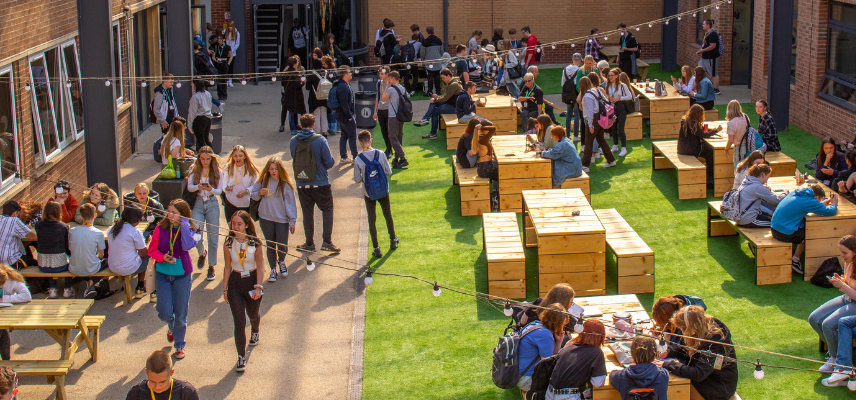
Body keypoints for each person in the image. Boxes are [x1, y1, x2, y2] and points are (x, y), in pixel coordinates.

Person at [148, 199, 199, 359]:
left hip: (182, 275)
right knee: (164, 312)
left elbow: (186, 245)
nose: (170, 215)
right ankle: (171, 326)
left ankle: (179, 344)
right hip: (163, 273)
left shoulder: (189, 229)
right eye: (168, 211)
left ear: (182, 215)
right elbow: (151, 250)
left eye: (174, 212)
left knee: (181, 312)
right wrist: (162, 257)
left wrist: (184, 224)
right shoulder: (160, 227)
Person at [660, 306, 737, 400]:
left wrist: (669, 364)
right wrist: (668, 352)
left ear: (691, 328)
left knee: (673, 391)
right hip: (707, 380)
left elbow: (698, 373)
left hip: (718, 388)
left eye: (683, 330)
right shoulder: (700, 329)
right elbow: (683, 347)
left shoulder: (714, 344)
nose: (683, 334)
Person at [221, 211, 265, 372]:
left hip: (252, 281)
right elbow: (227, 267)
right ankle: (241, 356)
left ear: (247, 225)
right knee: (239, 321)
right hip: (235, 283)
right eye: (233, 223)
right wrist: (225, 289)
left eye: (239, 224)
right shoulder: (228, 243)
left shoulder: (255, 243)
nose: (235, 226)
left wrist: (259, 287)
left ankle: (255, 330)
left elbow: (260, 267)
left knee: (253, 314)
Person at [290, 114, 339, 253]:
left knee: (307, 213)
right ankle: (327, 242)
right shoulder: (320, 140)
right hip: (321, 182)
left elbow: (294, 157)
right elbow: (329, 162)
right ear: (313, 125)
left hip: (301, 182)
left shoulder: (294, 141)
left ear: (300, 125)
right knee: (327, 209)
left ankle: (309, 243)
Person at [771, 184, 838, 274]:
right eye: (820, 200)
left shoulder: (796, 193)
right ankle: (795, 261)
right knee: (809, 232)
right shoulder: (810, 201)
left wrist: (820, 205)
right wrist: (834, 204)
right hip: (783, 233)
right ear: (817, 197)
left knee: (803, 225)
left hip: (774, 228)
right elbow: (830, 212)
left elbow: (804, 206)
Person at [250, 157, 296, 282]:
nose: (274, 171)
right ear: (268, 170)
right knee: (270, 245)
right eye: (271, 169)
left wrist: (292, 221)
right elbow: (253, 196)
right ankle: (273, 269)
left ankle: (281, 261)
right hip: (266, 218)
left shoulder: (285, 184)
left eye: (276, 169)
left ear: (280, 170)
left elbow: (291, 203)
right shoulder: (263, 181)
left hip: (281, 220)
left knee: (282, 245)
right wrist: (259, 193)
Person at [354, 131, 398, 258]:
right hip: (383, 190)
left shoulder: (358, 159)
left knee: (372, 219)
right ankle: (393, 239)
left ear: (360, 143)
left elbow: (357, 179)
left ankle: (376, 247)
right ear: (371, 140)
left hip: (369, 193)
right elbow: (388, 172)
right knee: (387, 214)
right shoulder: (380, 154)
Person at [821, 235, 856, 386]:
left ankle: (840, 364)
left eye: (845, 253)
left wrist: (842, 286)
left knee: (831, 324)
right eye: (841, 252)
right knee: (814, 318)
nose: (842, 256)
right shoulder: (849, 262)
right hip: (847, 297)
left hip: (853, 300)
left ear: (854, 252)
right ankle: (836, 359)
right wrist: (841, 280)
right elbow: (849, 283)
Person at [187, 146, 223, 281]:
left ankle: (211, 266)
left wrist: (211, 188)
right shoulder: (193, 169)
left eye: (207, 159)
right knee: (197, 236)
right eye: (202, 159)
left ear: (212, 158)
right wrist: (198, 187)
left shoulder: (217, 170)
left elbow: (220, 191)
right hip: (198, 202)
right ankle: (202, 253)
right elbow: (189, 187)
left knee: (213, 236)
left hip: (212, 202)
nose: (205, 162)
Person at [547, 319, 607, 399]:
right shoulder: (596, 352)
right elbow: (597, 383)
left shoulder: (569, 346)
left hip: (549, 393)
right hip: (568, 396)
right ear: (600, 336)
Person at [519, 304, 569, 396]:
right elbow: (546, 366)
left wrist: (558, 342)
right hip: (527, 379)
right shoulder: (545, 335)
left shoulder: (536, 324)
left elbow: (549, 357)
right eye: (562, 325)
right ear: (556, 323)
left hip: (520, 374)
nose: (563, 328)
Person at [108, 206, 151, 300]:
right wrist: (148, 243)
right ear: (137, 221)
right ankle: (140, 286)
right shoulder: (135, 231)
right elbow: (144, 253)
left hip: (112, 266)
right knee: (149, 256)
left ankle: (138, 285)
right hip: (127, 268)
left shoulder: (112, 229)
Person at [609, 336, 669, 400]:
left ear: (632, 353)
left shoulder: (622, 376)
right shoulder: (663, 375)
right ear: (655, 353)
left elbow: (612, 375)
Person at [125, 350, 199, 400]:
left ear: (171, 372)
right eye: (153, 381)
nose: (157, 387)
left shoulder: (186, 392)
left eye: (162, 382)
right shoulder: (136, 394)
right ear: (146, 372)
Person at [35, 202, 72, 298]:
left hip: (42, 265)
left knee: (50, 256)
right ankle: (67, 289)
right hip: (60, 265)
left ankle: (52, 288)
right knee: (71, 262)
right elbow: (67, 247)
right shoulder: (63, 227)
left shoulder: (38, 225)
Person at [580, 76, 616, 171]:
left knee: (588, 142)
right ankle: (611, 160)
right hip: (600, 118)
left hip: (594, 119)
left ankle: (585, 165)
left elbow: (590, 111)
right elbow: (606, 101)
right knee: (601, 140)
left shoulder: (587, 96)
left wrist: (590, 125)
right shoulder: (597, 90)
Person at [677, 104, 720, 182]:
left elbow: (700, 131)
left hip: (682, 149)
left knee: (707, 149)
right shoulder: (694, 124)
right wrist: (716, 131)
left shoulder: (686, 121)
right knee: (710, 152)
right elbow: (703, 135)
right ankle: (710, 178)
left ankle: (709, 174)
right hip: (691, 150)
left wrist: (709, 130)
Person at [0, 264, 31, 359]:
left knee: (2, 329)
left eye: (1, 286)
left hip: (7, 312)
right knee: (2, 331)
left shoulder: (13, 280)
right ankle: (6, 360)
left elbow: (27, 296)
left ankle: (6, 360)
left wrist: (3, 299)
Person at [222, 145, 260, 221]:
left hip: (245, 204)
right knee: (232, 228)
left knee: (243, 228)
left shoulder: (251, 168)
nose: (237, 158)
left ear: (245, 156)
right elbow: (223, 185)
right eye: (235, 156)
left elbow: (256, 185)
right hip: (231, 201)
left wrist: (246, 191)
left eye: (240, 156)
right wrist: (227, 188)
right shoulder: (228, 167)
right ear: (232, 156)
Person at [382, 71, 409, 169]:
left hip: (393, 117)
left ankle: (402, 158)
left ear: (393, 78)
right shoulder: (402, 88)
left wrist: (386, 87)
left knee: (393, 137)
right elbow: (408, 96)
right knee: (399, 137)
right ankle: (396, 159)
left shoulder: (390, 89)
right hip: (401, 116)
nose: (388, 81)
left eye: (389, 79)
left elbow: (383, 99)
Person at [0, 201, 37, 269]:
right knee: (34, 262)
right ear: (14, 213)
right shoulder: (14, 220)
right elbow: (33, 236)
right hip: (10, 263)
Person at [332, 65, 358, 163]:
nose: (351, 73)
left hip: (341, 115)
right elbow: (345, 104)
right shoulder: (343, 87)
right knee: (352, 136)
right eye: (349, 72)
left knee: (344, 135)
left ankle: (343, 156)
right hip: (345, 116)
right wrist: (350, 116)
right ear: (345, 74)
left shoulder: (343, 84)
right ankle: (355, 157)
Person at [606, 69, 633, 156]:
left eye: (611, 75)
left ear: (617, 76)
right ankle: (615, 145)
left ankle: (623, 148)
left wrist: (619, 98)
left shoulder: (622, 85)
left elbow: (629, 96)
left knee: (621, 129)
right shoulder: (609, 85)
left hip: (621, 108)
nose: (610, 77)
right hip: (612, 108)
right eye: (609, 76)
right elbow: (607, 95)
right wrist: (608, 99)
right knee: (613, 128)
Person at [280, 56, 305, 135]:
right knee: (297, 111)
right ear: (294, 64)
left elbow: (282, 83)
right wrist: (303, 82)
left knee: (291, 112)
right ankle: (301, 127)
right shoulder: (296, 73)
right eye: (296, 62)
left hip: (288, 94)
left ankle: (292, 129)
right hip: (296, 94)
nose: (297, 63)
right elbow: (298, 85)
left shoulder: (285, 72)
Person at [561, 53, 583, 141]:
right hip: (576, 93)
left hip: (567, 94)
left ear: (572, 59)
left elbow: (562, 83)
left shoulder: (565, 69)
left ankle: (568, 135)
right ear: (580, 61)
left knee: (568, 114)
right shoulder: (579, 70)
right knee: (576, 114)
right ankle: (576, 136)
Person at [696, 19, 722, 95]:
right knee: (699, 70)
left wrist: (702, 51)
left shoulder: (713, 34)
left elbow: (712, 46)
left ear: (708, 25)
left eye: (704, 24)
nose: (702, 25)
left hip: (712, 58)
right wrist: (700, 50)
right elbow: (705, 45)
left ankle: (716, 89)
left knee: (713, 73)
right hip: (704, 57)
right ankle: (702, 86)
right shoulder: (707, 33)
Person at [187, 80, 213, 152]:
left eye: (192, 84)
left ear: (195, 85)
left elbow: (192, 112)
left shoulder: (195, 97)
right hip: (208, 118)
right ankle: (211, 154)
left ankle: (207, 155)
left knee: (201, 140)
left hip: (200, 119)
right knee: (206, 139)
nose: (191, 85)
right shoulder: (207, 93)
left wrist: (189, 125)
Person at [373, 68, 394, 156]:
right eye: (379, 74)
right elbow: (377, 98)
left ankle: (389, 149)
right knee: (383, 130)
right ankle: (388, 148)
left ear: (387, 74)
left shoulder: (391, 84)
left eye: (382, 74)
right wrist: (375, 112)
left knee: (390, 131)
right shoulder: (378, 83)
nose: (380, 75)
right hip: (381, 110)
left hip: (389, 109)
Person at [723, 100, 749, 170]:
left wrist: (726, 149)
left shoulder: (731, 123)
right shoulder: (746, 118)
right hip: (748, 147)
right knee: (747, 170)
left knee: (738, 171)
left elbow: (731, 140)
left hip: (739, 148)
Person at [307, 58, 330, 137]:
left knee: (316, 114)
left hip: (315, 97)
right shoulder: (326, 73)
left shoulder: (312, 74)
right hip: (325, 96)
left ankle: (317, 132)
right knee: (324, 114)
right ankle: (324, 132)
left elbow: (307, 87)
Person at [420, 26, 445, 96]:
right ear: (434, 31)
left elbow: (422, 53)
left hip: (428, 63)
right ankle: (438, 91)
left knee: (430, 77)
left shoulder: (425, 41)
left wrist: (423, 60)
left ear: (427, 32)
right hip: (437, 62)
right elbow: (442, 51)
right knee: (437, 77)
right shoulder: (439, 40)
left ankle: (430, 92)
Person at [209, 33, 232, 102]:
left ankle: (224, 95)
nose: (219, 40)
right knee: (218, 79)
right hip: (218, 62)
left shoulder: (227, 47)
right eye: (218, 39)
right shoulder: (216, 46)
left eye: (220, 39)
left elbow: (231, 55)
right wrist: (215, 60)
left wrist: (228, 63)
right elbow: (213, 56)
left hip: (224, 62)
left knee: (224, 79)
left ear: (224, 40)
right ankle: (220, 95)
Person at [223, 22, 240, 87]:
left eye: (231, 27)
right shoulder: (225, 32)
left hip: (232, 53)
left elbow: (237, 43)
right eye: (229, 27)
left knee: (231, 67)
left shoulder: (236, 33)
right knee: (225, 67)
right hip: (225, 52)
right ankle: (226, 80)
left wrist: (232, 50)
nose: (230, 28)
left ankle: (230, 80)